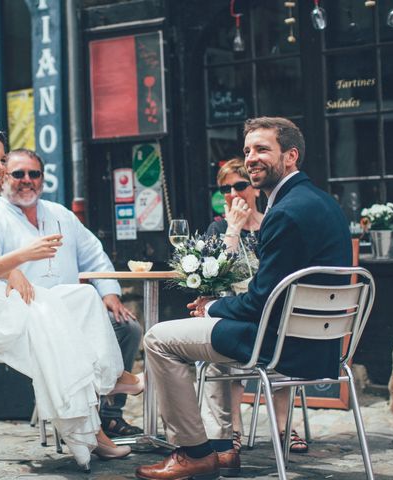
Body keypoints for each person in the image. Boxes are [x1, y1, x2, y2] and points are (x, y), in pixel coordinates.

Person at [136, 117, 351, 480]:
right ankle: (221, 449)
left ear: (291, 156)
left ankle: (194, 452)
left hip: (283, 345)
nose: (251, 157)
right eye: (248, 150)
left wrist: (210, 307)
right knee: (207, 335)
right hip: (323, 345)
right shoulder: (323, 203)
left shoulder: (285, 212)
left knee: (158, 338)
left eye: (263, 149)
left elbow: (259, 303)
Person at [0, 126, 145, 471]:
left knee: (80, 296)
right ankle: (99, 413)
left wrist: (8, 271)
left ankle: (107, 384)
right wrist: (21, 257)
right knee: (61, 318)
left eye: (1, 158)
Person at [0, 148, 144, 438]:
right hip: (32, 318)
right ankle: (90, 421)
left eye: (34, 174)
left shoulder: (59, 214)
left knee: (128, 328)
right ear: (4, 178)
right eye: (18, 174)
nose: (26, 180)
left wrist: (109, 293)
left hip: (76, 311)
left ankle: (109, 414)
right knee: (78, 335)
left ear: (43, 178)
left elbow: (93, 253)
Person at [200, 158, 308, 455]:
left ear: (255, 189)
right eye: (225, 188)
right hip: (235, 309)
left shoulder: (273, 222)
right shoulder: (218, 227)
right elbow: (214, 274)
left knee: (284, 334)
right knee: (225, 344)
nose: (233, 193)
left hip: (269, 308)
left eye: (240, 185)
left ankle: (285, 427)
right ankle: (234, 429)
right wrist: (233, 229)